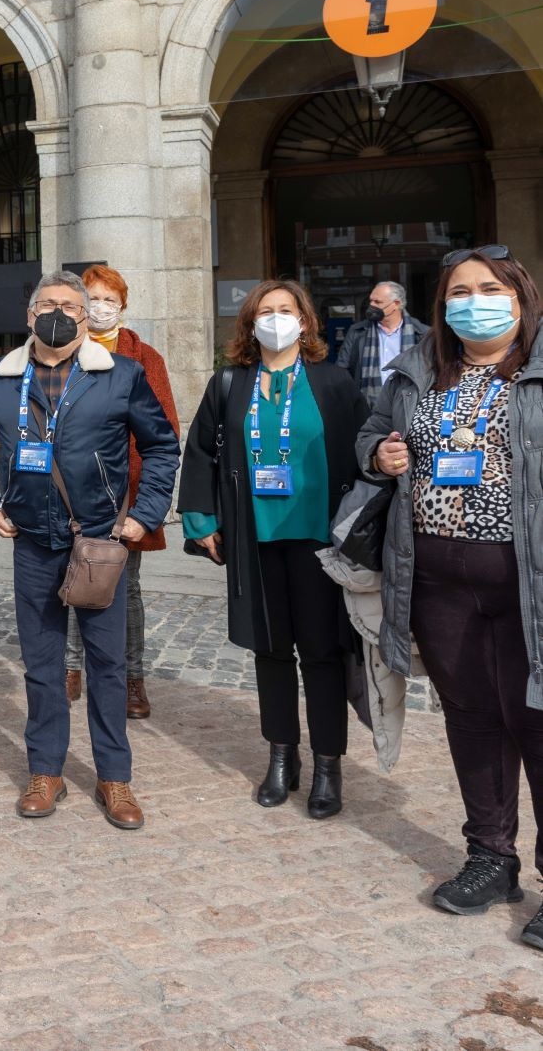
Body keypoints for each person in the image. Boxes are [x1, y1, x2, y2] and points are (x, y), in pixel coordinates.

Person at [357, 246, 543, 949]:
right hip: (436, 579)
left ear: (520, 296)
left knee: (537, 721)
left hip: (527, 579)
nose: (473, 301)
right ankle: (490, 857)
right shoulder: (415, 370)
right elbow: (371, 434)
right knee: (470, 718)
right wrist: (379, 454)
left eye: (489, 288)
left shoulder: (538, 369)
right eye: (459, 291)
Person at [0, 270, 177, 831]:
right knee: (43, 664)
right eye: (47, 304)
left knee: (105, 665)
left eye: (69, 306)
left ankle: (114, 778)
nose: (58, 312)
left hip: (99, 541)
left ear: (84, 317)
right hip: (31, 540)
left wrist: (143, 516)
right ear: (30, 316)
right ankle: (45, 770)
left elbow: (161, 446)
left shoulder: (120, 375)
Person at [180, 279, 368, 818]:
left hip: (318, 539)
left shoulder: (334, 383)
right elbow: (199, 453)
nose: (277, 319)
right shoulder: (229, 383)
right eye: (267, 311)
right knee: (270, 651)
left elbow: (363, 456)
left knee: (323, 653)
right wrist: (201, 520)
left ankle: (328, 764)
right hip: (253, 537)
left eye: (286, 310)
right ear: (250, 324)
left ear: (305, 322)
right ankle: (281, 757)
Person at [62, 264, 180, 720]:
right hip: (71, 493)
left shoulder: (144, 357)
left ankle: (133, 678)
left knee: (124, 588)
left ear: (123, 306)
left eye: (110, 299)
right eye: (93, 298)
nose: (101, 307)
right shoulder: (64, 352)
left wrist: (149, 504)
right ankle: (72, 667)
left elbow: (164, 431)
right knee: (69, 578)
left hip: (124, 497)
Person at [337, 281, 429, 402]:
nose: (371, 305)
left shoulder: (423, 334)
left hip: (410, 405)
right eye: (371, 301)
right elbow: (342, 369)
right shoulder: (357, 332)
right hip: (368, 408)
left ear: (396, 304)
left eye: (378, 302)